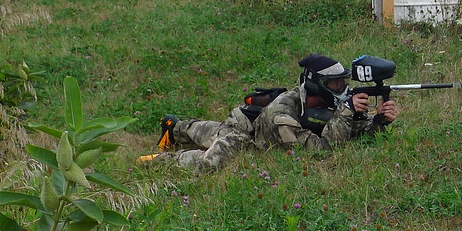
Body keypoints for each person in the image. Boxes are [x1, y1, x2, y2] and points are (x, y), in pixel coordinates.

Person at [154, 54, 398, 172]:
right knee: (209, 163)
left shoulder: (328, 103)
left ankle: (175, 127)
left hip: (253, 124)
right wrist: (346, 112)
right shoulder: (282, 116)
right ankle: (159, 158)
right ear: (316, 84)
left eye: (343, 82)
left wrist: (377, 121)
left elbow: (352, 130)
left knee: (202, 130)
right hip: (244, 135)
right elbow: (320, 149)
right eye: (334, 84)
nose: (341, 89)